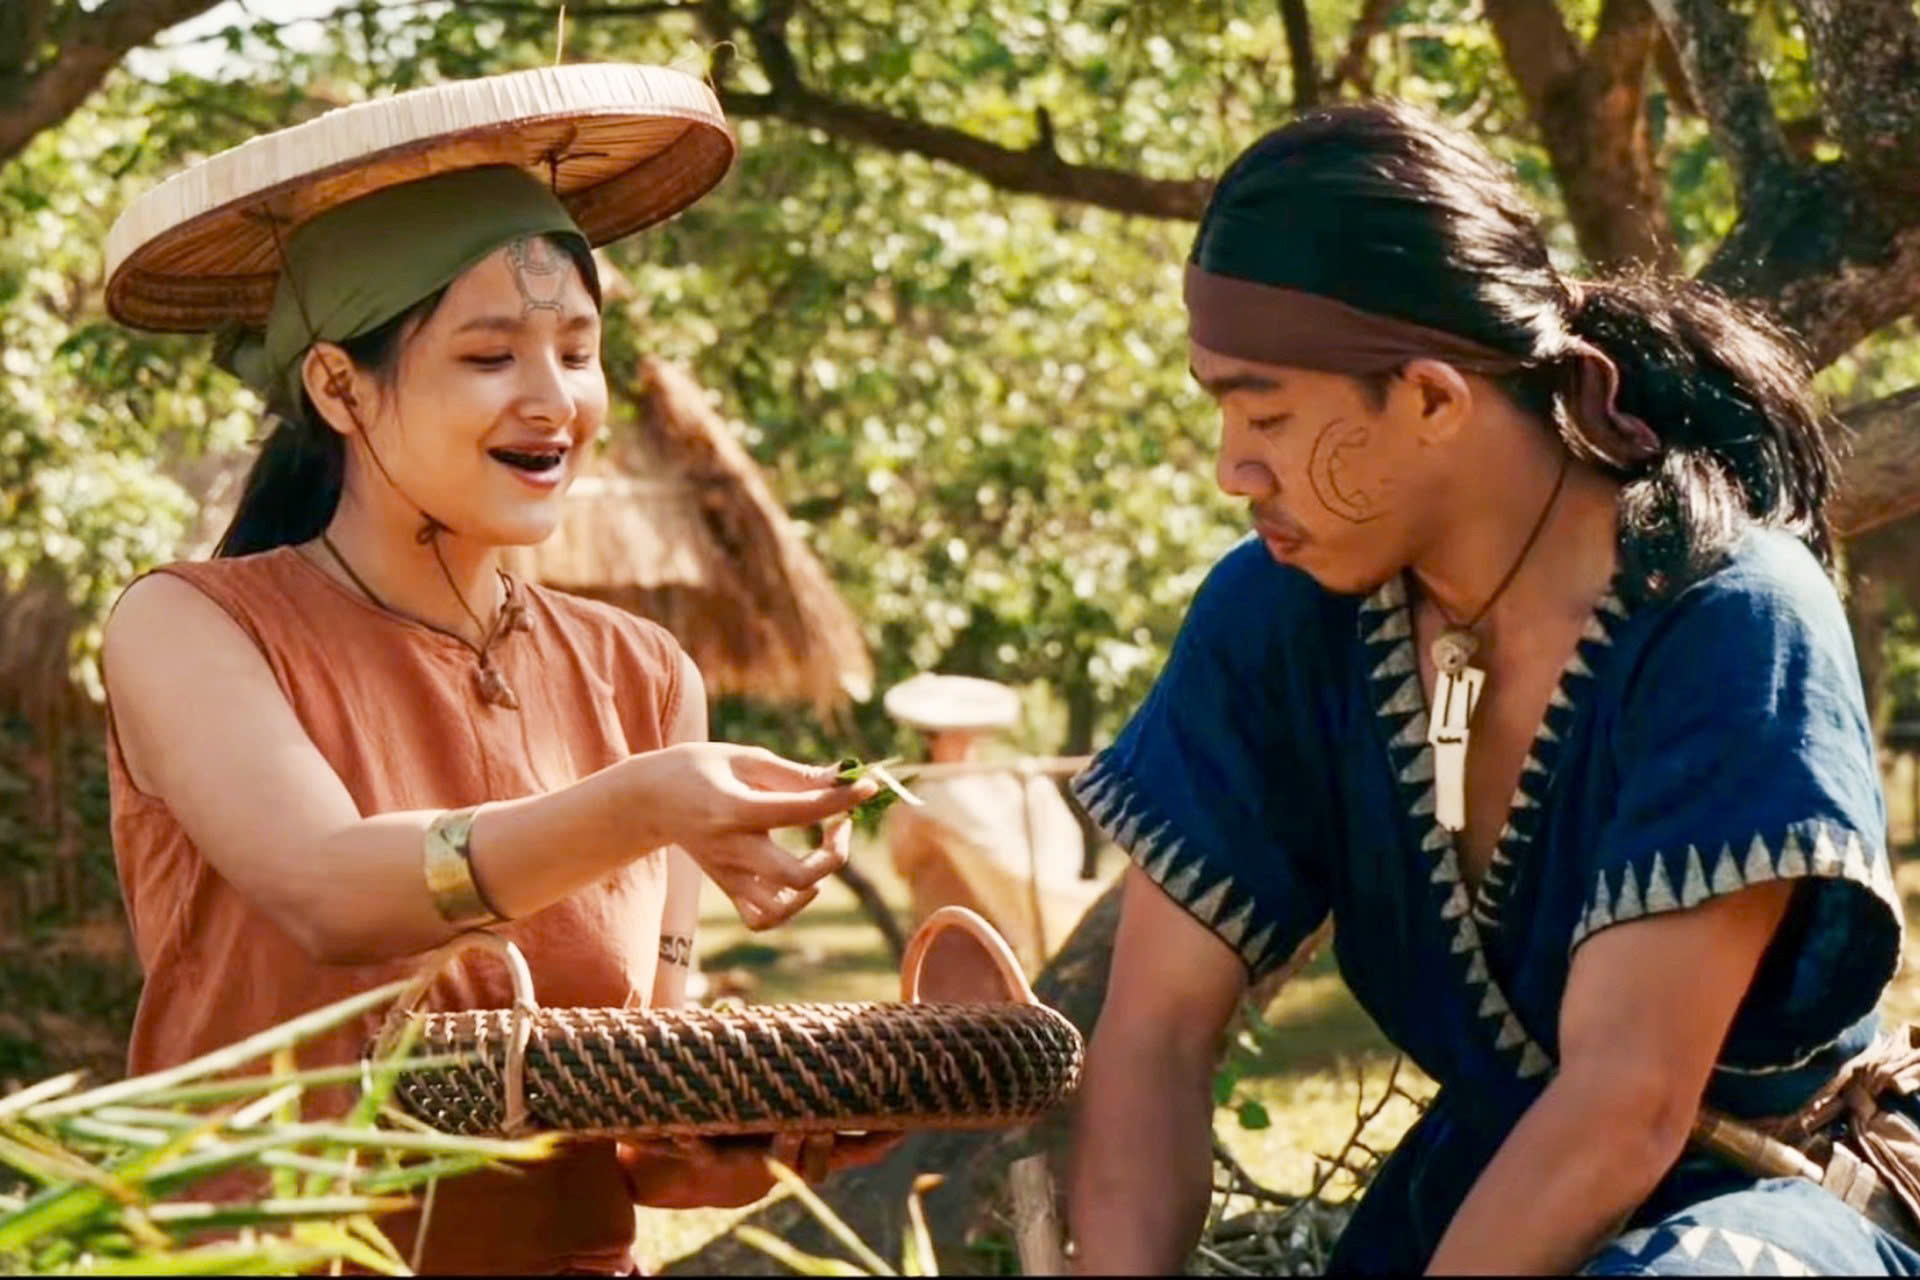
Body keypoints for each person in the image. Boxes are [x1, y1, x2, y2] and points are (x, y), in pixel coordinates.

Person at [1065, 100, 1913, 1275]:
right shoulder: (1280, 614)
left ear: (1432, 398)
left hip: (1770, 1208)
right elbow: (1154, 1032)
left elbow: (1626, 1101)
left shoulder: (1730, 618)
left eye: (1265, 412)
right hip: (1488, 1198)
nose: (1231, 468)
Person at [99, 65, 885, 1274]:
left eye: (578, 350)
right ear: (339, 386)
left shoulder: (647, 677)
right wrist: (643, 804)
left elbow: (636, 1141)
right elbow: (329, 887)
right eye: (489, 356)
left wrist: (744, 1146)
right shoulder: (189, 626)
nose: (554, 399)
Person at [879, 673, 1101, 971]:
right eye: (952, 734)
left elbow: (1021, 851)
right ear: (931, 738)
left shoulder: (998, 786)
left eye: (966, 734)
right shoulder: (922, 795)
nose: (964, 742)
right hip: (943, 937)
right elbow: (903, 860)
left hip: (994, 942)